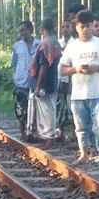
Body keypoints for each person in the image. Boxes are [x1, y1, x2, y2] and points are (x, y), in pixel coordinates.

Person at [60, 10, 99, 163]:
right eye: (82, 26)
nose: (85, 30)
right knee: (81, 127)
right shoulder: (72, 47)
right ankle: (84, 154)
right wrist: (75, 69)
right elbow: (62, 69)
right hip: (78, 93)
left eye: (88, 26)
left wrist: (96, 68)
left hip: (97, 92)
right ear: (76, 27)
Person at [29, 17, 63, 150]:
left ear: (42, 29)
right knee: (49, 109)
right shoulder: (55, 43)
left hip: (45, 84)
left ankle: (49, 139)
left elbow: (43, 66)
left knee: (47, 111)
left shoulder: (45, 44)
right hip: (53, 81)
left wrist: (38, 86)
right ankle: (47, 138)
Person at [11, 20, 40, 141]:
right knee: (20, 108)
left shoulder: (39, 44)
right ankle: (23, 134)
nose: (21, 33)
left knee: (35, 110)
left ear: (30, 30)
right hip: (20, 82)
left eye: (23, 30)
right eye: (19, 32)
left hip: (34, 82)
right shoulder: (17, 46)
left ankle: (33, 133)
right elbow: (14, 63)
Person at [57, 19, 75, 144]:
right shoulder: (57, 43)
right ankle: (60, 132)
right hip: (58, 78)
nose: (65, 29)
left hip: (71, 79)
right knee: (59, 106)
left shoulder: (75, 44)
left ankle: (74, 133)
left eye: (67, 27)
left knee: (71, 106)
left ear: (72, 28)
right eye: (63, 27)